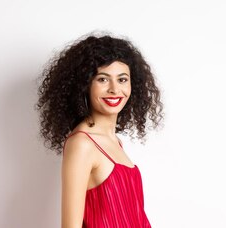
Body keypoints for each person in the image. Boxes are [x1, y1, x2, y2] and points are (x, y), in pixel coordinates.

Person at [36, 32, 163, 228]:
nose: (114, 89)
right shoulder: (82, 144)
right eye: (102, 79)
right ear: (85, 85)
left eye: (122, 80)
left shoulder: (115, 141)